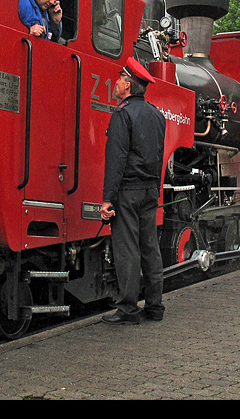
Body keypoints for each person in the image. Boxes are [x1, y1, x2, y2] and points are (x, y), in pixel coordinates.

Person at [100, 57, 167, 325]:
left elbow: (116, 160)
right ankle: (155, 307)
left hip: (128, 190)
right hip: (150, 189)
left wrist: (108, 198)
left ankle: (128, 310)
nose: (116, 83)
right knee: (150, 247)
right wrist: (155, 188)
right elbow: (159, 155)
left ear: (127, 85)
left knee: (127, 249)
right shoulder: (157, 116)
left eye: (119, 79)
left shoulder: (122, 114)